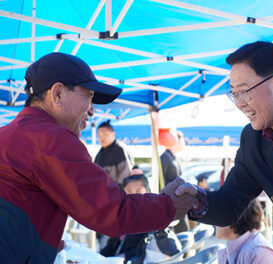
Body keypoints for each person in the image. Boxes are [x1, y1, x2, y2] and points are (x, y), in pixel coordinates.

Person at [0, 52, 196, 263]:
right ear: (57, 94)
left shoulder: (8, 134)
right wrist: (169, 205)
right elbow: (111, 212)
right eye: (89, 96)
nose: (92, 111)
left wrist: (37, 242)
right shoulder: (51, 138)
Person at [174, 41, 273, 263]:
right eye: (234, 94)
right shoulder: (252, 140)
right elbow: (229, 204)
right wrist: (194, 198)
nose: (240, 103)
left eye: (244, 91)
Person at [216, 199, 273, 264]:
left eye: (218, 214)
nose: (213, 220)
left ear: (232, 217)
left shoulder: (259, 253)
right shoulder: (232, 250)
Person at [160, 129, 189, 233]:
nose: (184, 143)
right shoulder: (165, 157)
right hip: (170, 201)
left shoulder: (175, 158)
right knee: (179, 229)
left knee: (183, 228)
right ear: (175, 141)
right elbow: (160, 180)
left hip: (178, 201)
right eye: (182, 140)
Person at [95, 120, 134, 185]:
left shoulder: (120, 149)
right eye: (99, 135)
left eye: (105, 134)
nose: (101, 138)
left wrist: (115, 190)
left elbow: (125, 174)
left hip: (118, 192)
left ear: (113, 134)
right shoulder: (99, 154)